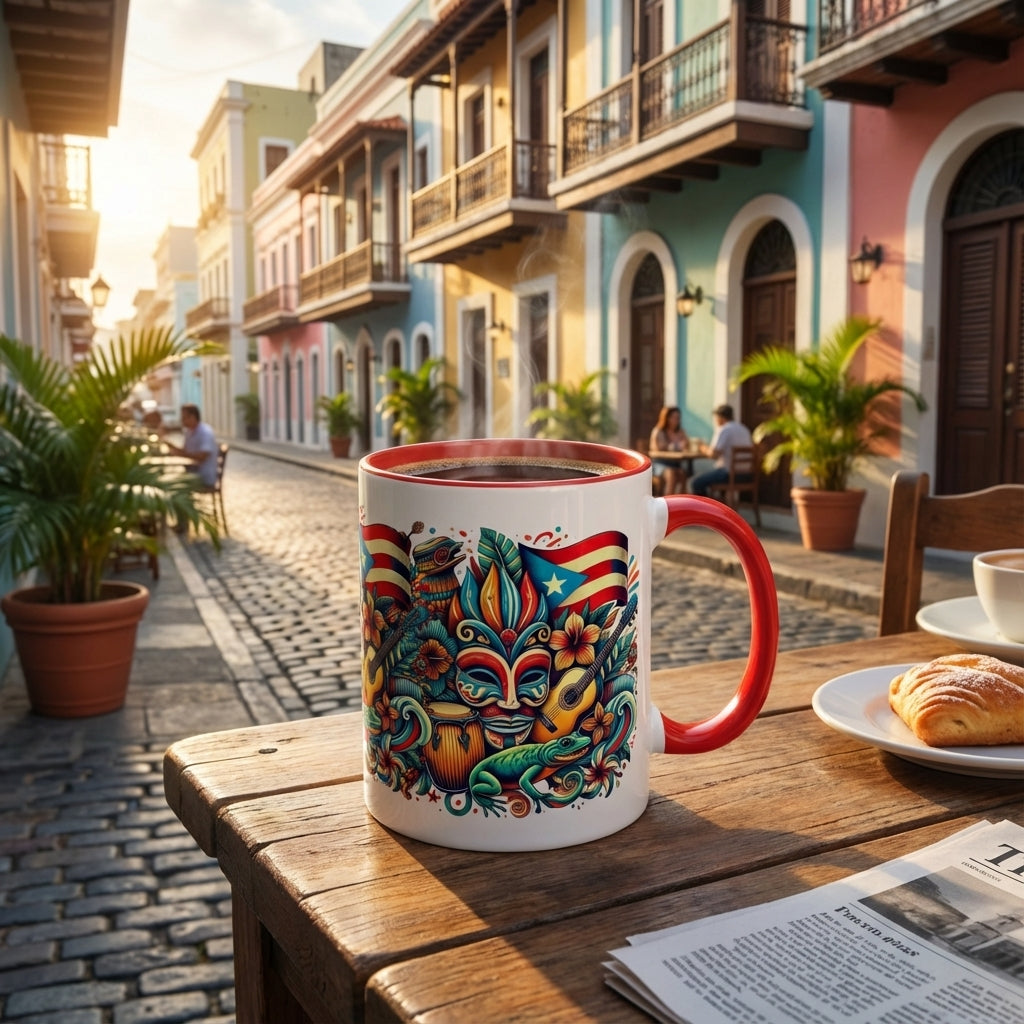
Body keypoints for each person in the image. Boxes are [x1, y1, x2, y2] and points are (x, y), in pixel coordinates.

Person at [689, 404, 753, 498]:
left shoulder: (724, 430)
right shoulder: (744, 429)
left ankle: (705, 510)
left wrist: (702, 447)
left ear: (720, 417)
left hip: (729, 474)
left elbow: (713, 454)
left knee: (697, 483)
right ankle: (720, 506)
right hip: (746, 474)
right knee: (714, 475)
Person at [163, 403, 219, 487]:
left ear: (192, 417)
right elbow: (186, 451)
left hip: (203, 476)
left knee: (171, 484)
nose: (182, 420)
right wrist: (171, 446)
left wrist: (181, 454)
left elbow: (202, 456)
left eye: (184, 418)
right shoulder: (189, 431)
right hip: (192, 472)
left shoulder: (205, 432)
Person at [648, 406, 690, 495]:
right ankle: (667, 504)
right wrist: (677, 446)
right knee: (671, 474)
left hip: (675, 463)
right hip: (659, 464)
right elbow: (658, 448)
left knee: (683, 474)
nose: (676, 420)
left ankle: (681, 503)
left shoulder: (680, 431)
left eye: (678, 418)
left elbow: (687, 444)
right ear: (666, 418)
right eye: (673, 417)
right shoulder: (658, 431)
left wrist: (681, 445)